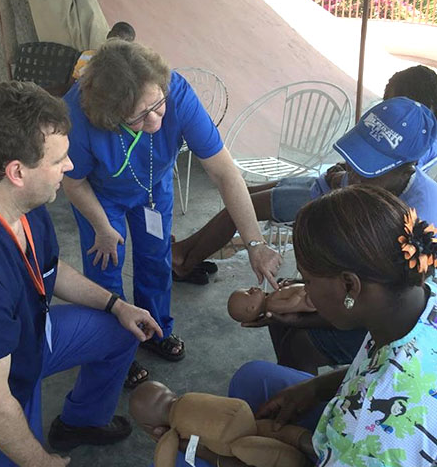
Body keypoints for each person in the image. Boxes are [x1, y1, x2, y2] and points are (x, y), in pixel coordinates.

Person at [64, 185, 437, 467]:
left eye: (308, 281)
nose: (301, 290)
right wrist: (312, 387)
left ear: (350, 286)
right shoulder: (416, 294)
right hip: (360, 447)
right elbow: (377, 366)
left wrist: (212, 457)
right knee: (254, 380)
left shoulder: (396, 415)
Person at [0, 81, 162, 467]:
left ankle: (82, 421)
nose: (71, 165)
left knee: (122, 331)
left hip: (27, 345)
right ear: (17, 170)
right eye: (59, 159)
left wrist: (115, 303)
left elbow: (50, 272)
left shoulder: (22, 201)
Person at [62, 39, 281, 367]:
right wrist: (102, 226)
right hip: (99, 196)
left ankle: (155, 329)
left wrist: (255, 243)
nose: (155, 122)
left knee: (156, 257)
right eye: (139, 117)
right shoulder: (79, 115)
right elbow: (73, 181)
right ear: (110, 116)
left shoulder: (175, 93)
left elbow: (224, 172)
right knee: (104, 264)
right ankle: (111, 349)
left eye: (157, 105)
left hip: (153, 186)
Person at [171, 65, 437, 280]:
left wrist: (344, 182)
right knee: (242, 196)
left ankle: (183, 258)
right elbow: (371, 172)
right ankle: (185, 252)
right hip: (326, 186)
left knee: (241, 210)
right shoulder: (397, 134)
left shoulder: (416, 193)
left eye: (390, 97)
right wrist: (346, 169)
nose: (385, 102)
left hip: (329, 201)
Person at [256, 96, 437, 374]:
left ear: (408, 168)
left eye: (366, 168)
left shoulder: (423, 216)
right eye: (353, 161)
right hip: (367, 297)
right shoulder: (367, 183)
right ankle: (296, 385)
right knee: (281, 318)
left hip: (390, 315)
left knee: (301, 343)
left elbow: (380, 301)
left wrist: (308, 311)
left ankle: (305, 400)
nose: (351, 175)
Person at [129, 380, 311, 467]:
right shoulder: (189, 397)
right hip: (245, 415)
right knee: (271, 429)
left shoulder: (170, 434)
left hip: (236, 441)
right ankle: (305, 439)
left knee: (258, 451)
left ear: (156, 430)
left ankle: (302, 465)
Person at [72, 21, 136, 82]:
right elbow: (74, 77)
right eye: (116, 38)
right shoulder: (88, 56)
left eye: (124, 43)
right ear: (109, 35)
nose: (118, 44)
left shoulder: (123, 72)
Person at [227, 284, 315, 323]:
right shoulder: (271, 305)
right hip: (309, 300)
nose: (252, 288)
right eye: (250, 292)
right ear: (252, 308)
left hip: (307, 293)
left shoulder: (269, 299)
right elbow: (289, 304)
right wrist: (298, 295)